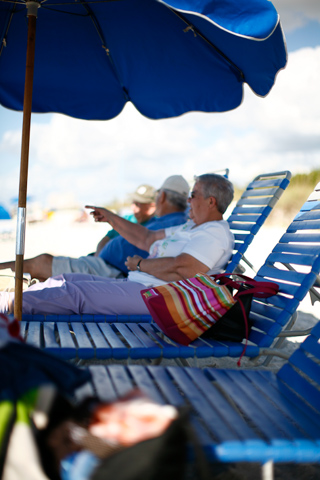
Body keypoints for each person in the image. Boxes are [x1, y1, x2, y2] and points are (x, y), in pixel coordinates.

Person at [0, 174, 234, 316]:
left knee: (76, 293)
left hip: (158, 297)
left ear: (210, 202)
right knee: (67, 280)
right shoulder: (190, 227)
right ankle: (15, 299)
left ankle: (9, 305)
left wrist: (141, 265)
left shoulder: (213, 233)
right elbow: (146, 238)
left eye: (193, 195)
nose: (189, 201)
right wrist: (112, 217)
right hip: (142, 286)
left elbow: (184, 269)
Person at [0, 177, 188, 281]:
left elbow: (146, 239)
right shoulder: (173, 221)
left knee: (41, 263)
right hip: (106, 265)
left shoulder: (171, 223)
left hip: (112, 271)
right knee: (42, 266)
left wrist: (112, 217)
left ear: (161, 197)